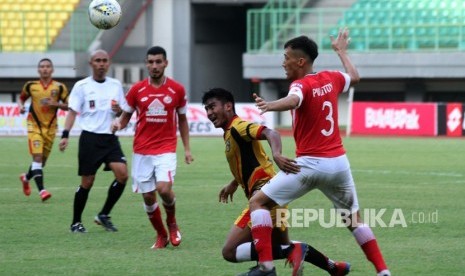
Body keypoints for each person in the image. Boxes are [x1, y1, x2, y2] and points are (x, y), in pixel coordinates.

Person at [245, 29, 391, 276]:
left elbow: (293, 100)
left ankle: (266, 268)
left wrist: (270, 105)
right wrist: (341, 52)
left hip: (310, 165)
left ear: (300, 61)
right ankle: (383, 271)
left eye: (286, 57)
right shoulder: (331, 77)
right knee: (355, 221)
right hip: (339, 165)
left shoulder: (299, 85)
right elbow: (355, 77)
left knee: (257, 202)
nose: (283, 62)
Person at [202, 87, 350, 276]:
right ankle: (334, 268)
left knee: (229, 251)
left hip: (263, 198)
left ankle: (267, 270)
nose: (209, 113)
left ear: (228, 106)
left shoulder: (238, 127)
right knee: (281, 247)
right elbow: (255, 159)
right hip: (274, 196)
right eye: (206, 109)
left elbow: (271, 133)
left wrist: (277, 153)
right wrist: (234, 182)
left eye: (213, 107)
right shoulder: (230, 133)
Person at [112, 46, 193, 249]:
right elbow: (125, 118)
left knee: (164, 189)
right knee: (148, 197)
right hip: (141, 150)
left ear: (166, 63)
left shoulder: (177, 89)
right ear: (146, 64)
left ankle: (172, 223)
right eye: (151, 62)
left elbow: (182, 120)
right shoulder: (136, 90)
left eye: (158, 61)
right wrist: (117, 125)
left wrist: (187, 149)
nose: (154, 66)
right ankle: (161, 235)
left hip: (166, 148)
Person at [59, 49, 130, 233]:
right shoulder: (82, 86)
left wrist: (117, 110)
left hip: (110, 138)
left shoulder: (115, 85)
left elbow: (121, 112)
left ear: (108, 64)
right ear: (91, 63)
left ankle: (104, 214)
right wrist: (65, 135)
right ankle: (76, 222)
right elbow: (73, 111)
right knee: (87, 182)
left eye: (104, 60)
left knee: (122, 175)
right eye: (97, 60)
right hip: (90, 139)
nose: (101, 63)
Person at [18, 58, 69, 202]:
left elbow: (70, 105)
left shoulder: (59, 87)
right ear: (38, 70)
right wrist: (20, 106)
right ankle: (42, 191)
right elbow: (21, 99)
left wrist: (55, 104)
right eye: (42, 67)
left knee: (41, 162)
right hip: (34, 126)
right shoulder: (30, 86)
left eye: (48, 66)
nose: (45, 69)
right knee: (38, 158)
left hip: (51, 129)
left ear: (52, 70)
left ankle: (26, 178)